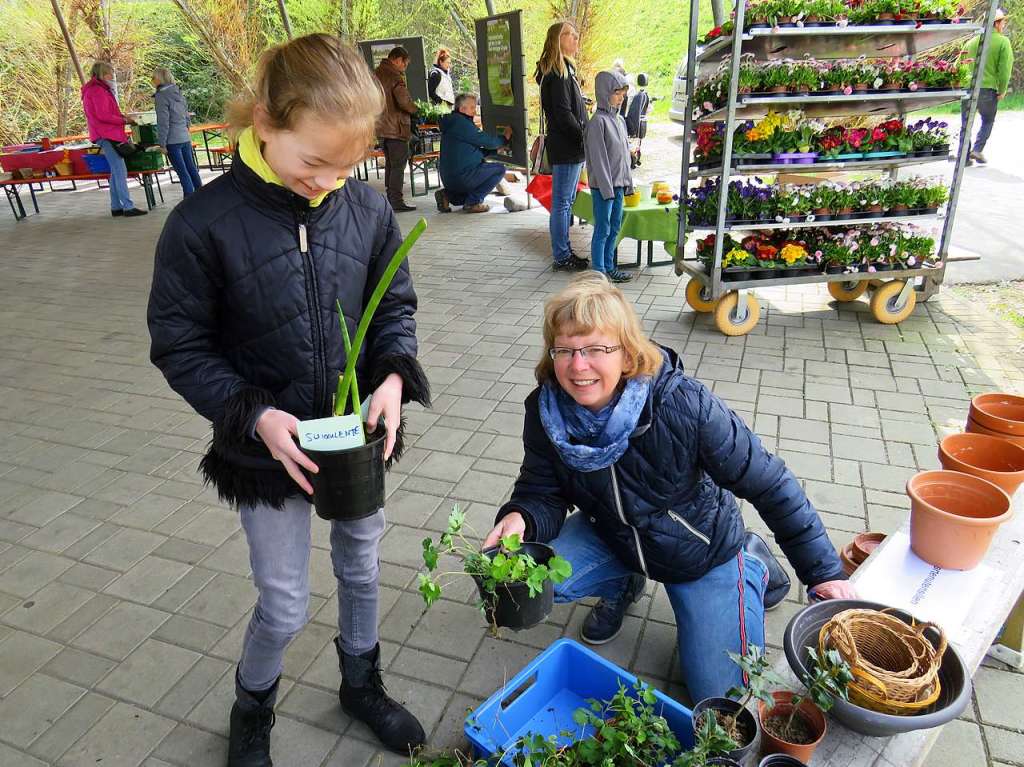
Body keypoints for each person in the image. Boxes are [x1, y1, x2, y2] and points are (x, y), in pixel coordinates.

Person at [147, 34, 431, 766]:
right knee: (284, 601)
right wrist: (255, 415)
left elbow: (393, 304)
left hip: (353, 440)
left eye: (347, 165)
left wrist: (394, 378)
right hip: (263, 446)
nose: (329, 181)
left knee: (363, 567)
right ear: (266, 124)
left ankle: (361, 683)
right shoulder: (201, 225)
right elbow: (180, 345)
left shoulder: (363, 209)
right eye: (314, 162)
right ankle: (253, 708)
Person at [483, 273, 855, 704]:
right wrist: (520, 516)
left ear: (625, 353)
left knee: (722, 704)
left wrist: (824, 573)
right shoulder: (546, 412)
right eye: (564, 350)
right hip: (615, 534)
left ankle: (748, 562)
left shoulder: (683, 405)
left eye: (595, 349)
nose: (577, 365)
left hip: (702, 552)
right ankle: (623, 583)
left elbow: (771, 483)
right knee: (533, 583)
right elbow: (541, 490)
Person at [536, 21, 589, 271]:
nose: (576, 40)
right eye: (571, 36)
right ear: (558, 39)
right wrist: (583, 136)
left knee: (564, 203)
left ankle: (564, 251)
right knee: (562, 204)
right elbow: (563, 113)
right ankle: (561, 255)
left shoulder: (564, 70)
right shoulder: (557, 74)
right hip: (568, 147)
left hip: (571, 146)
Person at [584, 71, 634, 283]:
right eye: (616, 92)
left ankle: (609, 266)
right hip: (604, 188)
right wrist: (607, 189)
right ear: (604, 93)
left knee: (614, 227)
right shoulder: (597, 122)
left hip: (619, 185)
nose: (621, 97)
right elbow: (598, 159)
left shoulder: (620, 121)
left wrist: (628, 183)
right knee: (602, 228)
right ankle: (598, 271)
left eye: (623, 93)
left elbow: (624, 157)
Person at [80, 61, 146, 217]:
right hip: (107, 134)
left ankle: (116, 206)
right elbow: (103, 115)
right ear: (103, 74)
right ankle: (128, 206)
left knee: (116, 172)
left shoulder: (96, 89)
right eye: (110, 73)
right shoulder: (97, 91)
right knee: (120, 171)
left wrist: (122, 117)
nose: (112, 76)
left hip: (106, 134)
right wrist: (124, 120)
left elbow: (106, 113)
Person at [435, 93, 512, 213]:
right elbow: (488, 141)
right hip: (463, 176)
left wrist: (494, 151)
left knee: (464, 195)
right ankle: (473, 203)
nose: (475, 111)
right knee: (499, 169)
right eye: (472, 108)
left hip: (449, 178)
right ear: (462, 109)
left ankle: (447, 195)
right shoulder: (462, 124)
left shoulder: (453, 123)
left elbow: (471, 152)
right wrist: (504, 138)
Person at [961, 8, 1014, 165]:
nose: (1004, 24)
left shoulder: (970, 43)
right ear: (996, 24)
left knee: (966, 123)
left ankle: (963, 157)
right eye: (1003, 21)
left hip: (967, 88)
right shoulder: (1003, 42)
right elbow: (1004, 70)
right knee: (988, 120)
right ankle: (977, 150)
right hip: (988, 90)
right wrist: (1002, 90)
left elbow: (958, 66)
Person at [374, 46, 419, 212]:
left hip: (382, 128)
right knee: (398, 166)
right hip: (396, 128)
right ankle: (397, 201)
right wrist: (416, 110)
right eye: (404, 64)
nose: (404, 68)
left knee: (390, 165)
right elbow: (404, 102)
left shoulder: (376, 73)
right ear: (398, 60)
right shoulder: (395, 77)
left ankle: (391, 199)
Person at [152, 67, 203, 197]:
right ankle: (202, 196)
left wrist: (162, 144)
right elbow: (186, 115)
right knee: (191, 168)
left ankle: (189, 200)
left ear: (159, 79)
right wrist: (187, 130)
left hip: (172, 140)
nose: (152, 81)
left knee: (182, 172)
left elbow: (163, 122)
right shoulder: (178, 93)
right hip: (184, 137)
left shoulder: (161, 96)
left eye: (153, 78)